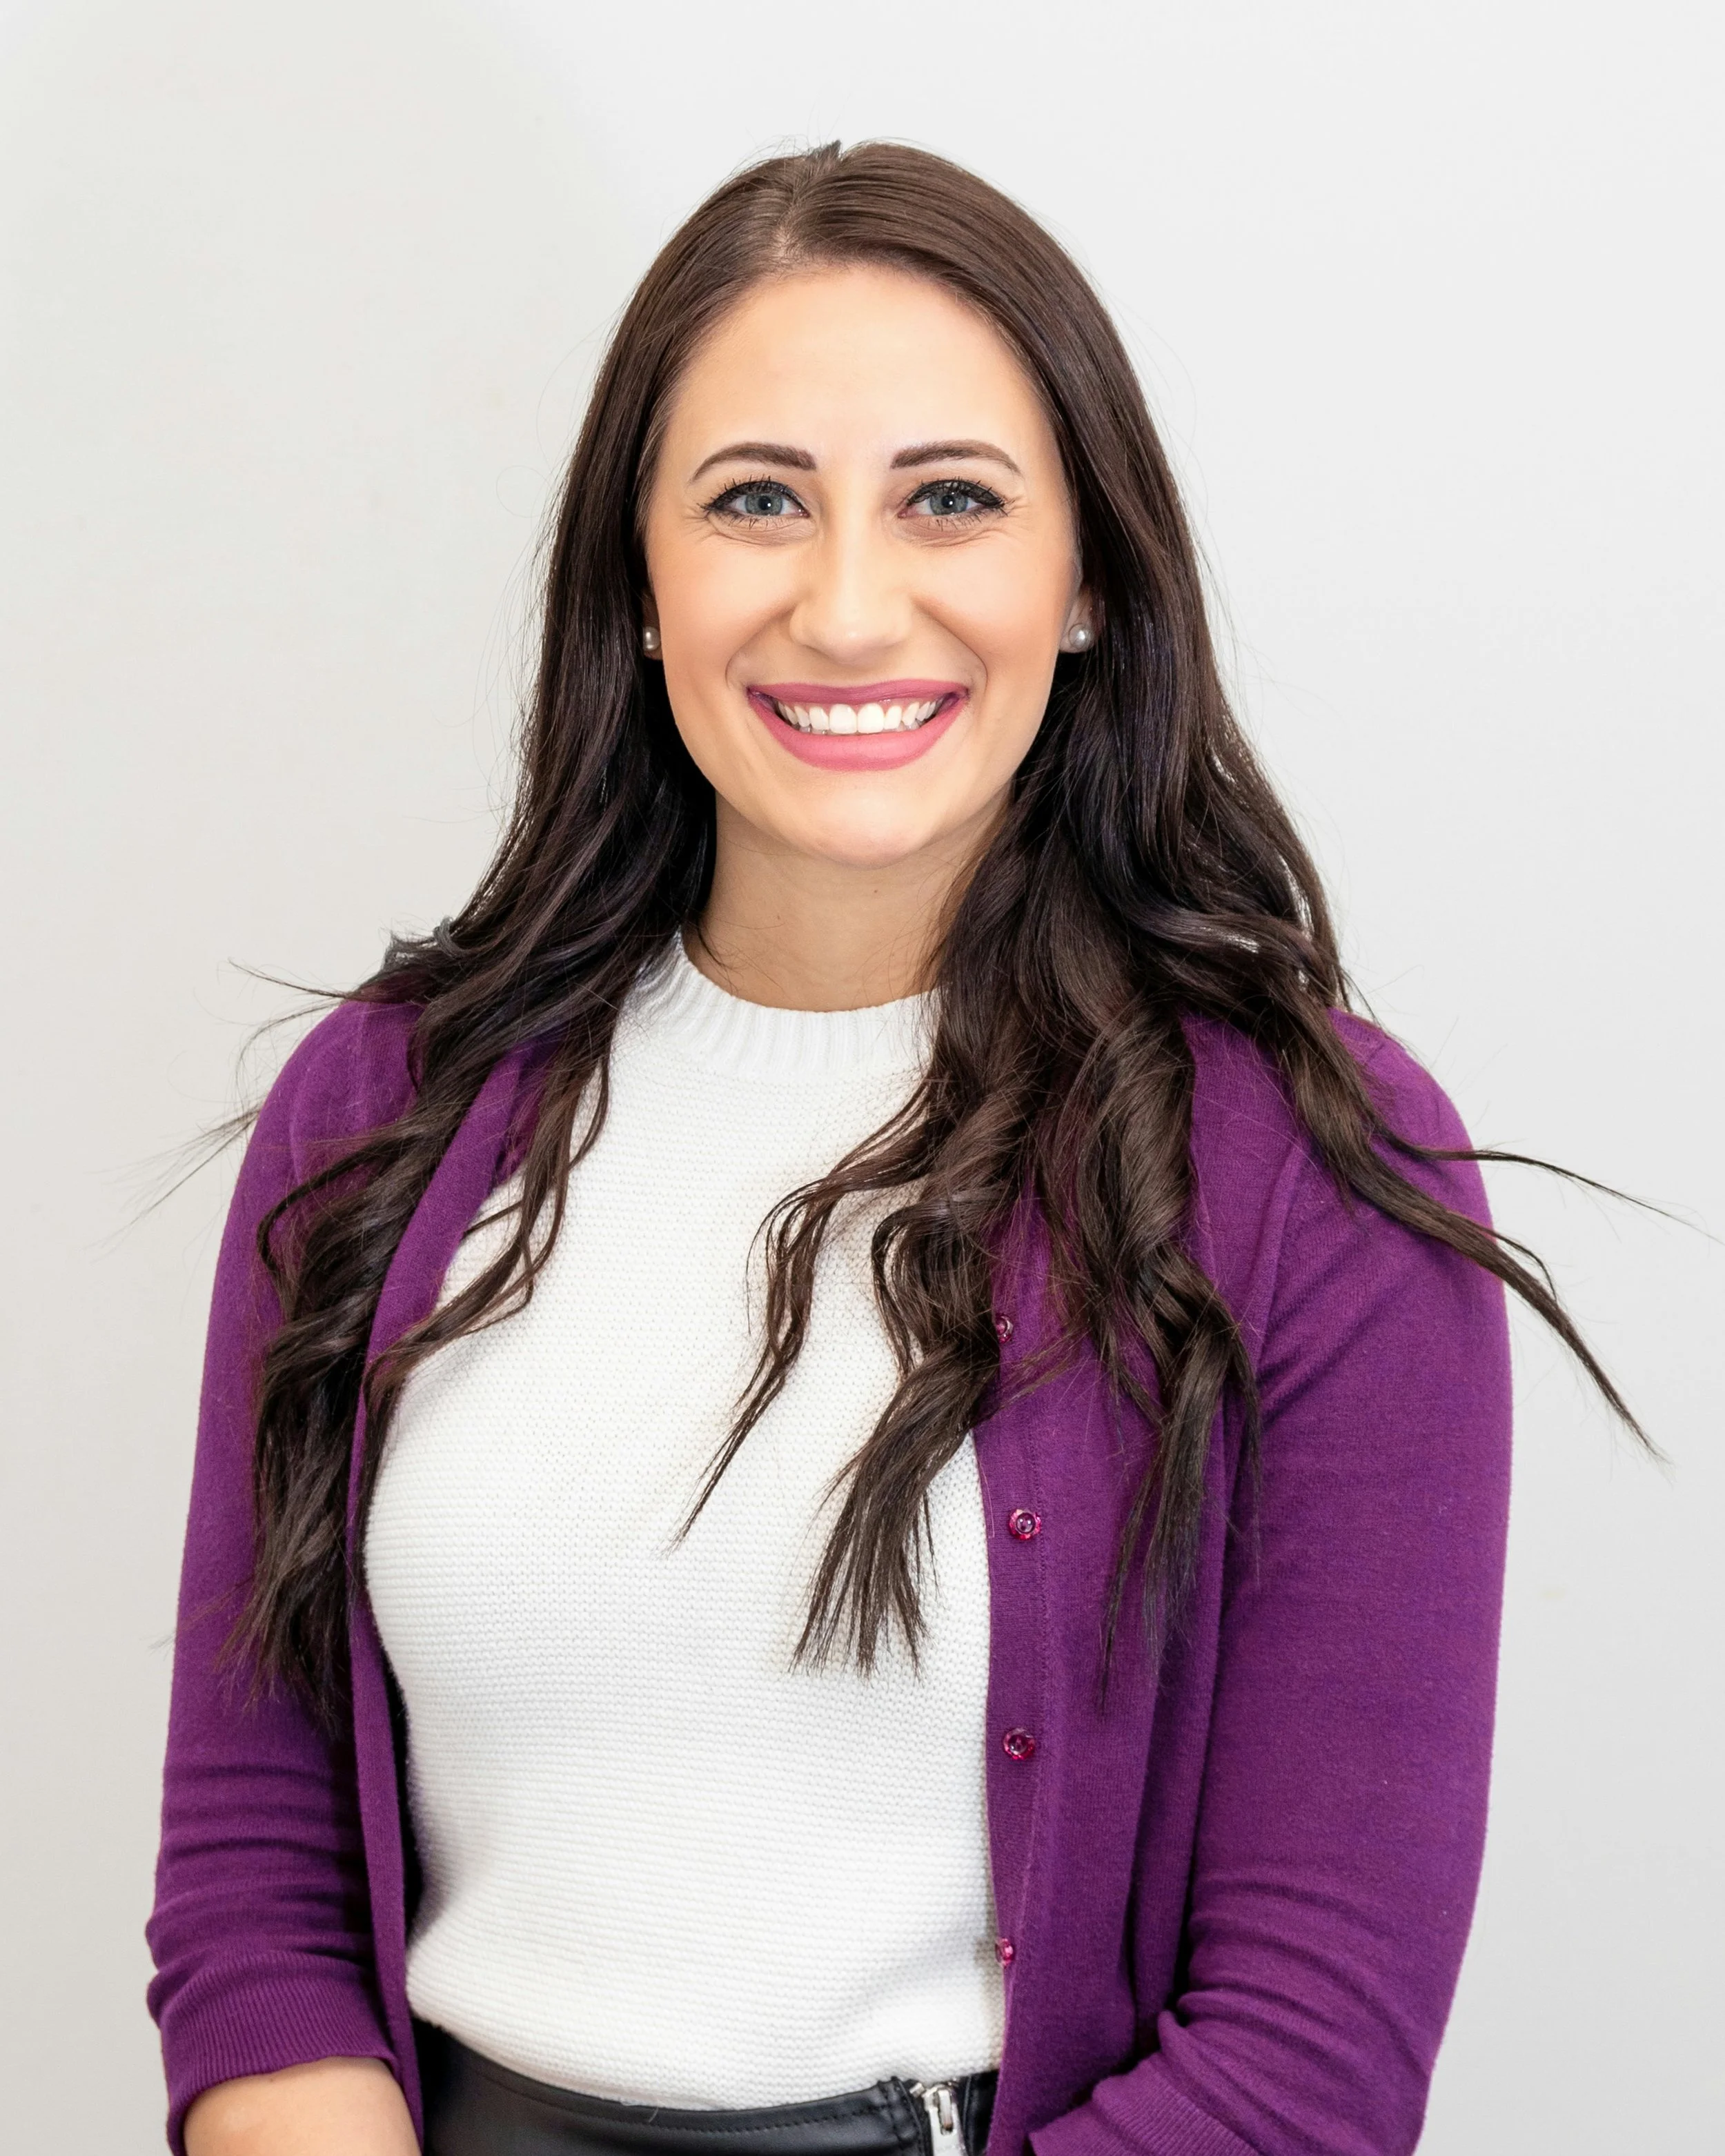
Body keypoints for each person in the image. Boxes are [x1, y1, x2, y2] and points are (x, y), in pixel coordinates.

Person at [146, 141, 1631, 2156]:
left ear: (1084, 574)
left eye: (950, 499)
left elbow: (1308, 2047)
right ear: (638, 583)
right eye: (755, 499)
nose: (848, 605)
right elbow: (254, 1884)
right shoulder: (381, 1110)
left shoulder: (1316, 1172)